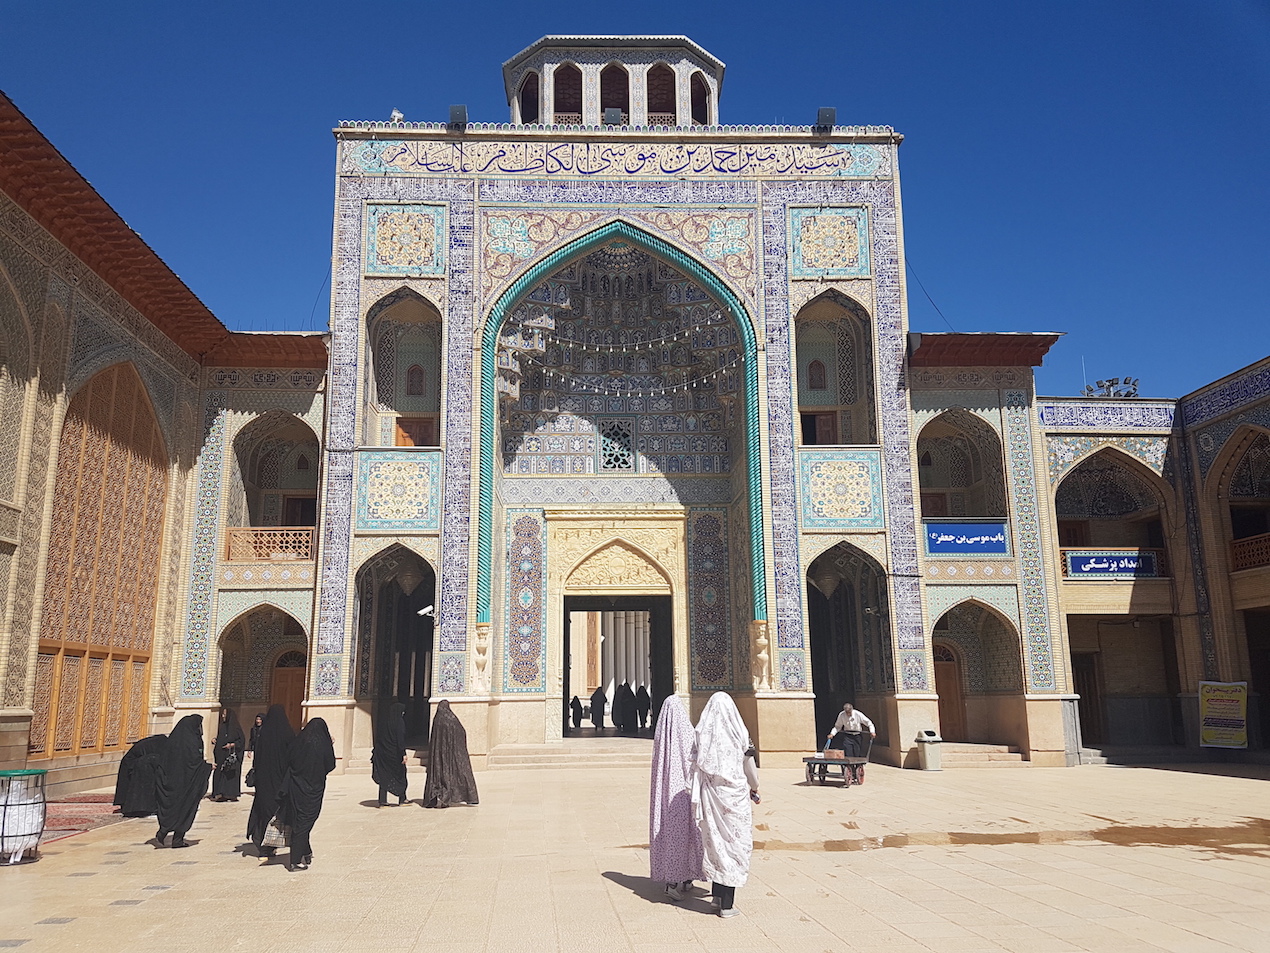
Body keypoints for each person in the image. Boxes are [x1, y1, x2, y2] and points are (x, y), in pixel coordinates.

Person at [691, 692, 759, 919]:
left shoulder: (703, 733)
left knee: (717, 844)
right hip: (734, 797)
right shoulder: (738, 732)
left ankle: (717, 897)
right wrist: (755, 786)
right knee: (733, 845)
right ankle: (727, 906)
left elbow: (695, 760)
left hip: (711, 796)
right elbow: (748, 763)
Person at [650, 695, 703, 903]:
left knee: (672, 836)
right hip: (685, 795)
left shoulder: (661, 740)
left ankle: (674, 879)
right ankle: (684, 877)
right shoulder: (688, 733)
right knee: (689, 834)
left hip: (667, 798)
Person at [274, 717, 335, 871]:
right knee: (305, 821)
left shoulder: (299, 742)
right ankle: (295, 860)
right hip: (314, 788)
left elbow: (289, 759)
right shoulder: (322, 744)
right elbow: (330, 764)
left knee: (301, 819)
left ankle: (306, 851)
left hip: (296, 787)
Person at [154, 714, 213, 849]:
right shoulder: (192, 742)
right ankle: (177, 839)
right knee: (186, 808)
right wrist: (207, 767)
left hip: (173, 783)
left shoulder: (174, 741)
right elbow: (192, 763)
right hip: (187, 784)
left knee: (174, 808)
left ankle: (165, 831)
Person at [246, 704, 295, 855]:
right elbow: (293, 756)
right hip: (281, 782)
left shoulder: (263, 734)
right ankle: (273, 844)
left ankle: (263, 847)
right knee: (277, 811)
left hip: (263, 782)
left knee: (263, 810)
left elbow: (258, 758)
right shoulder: (287, 733)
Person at [422, 700, 479, 808]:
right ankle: (446, 798)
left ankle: (433, 798)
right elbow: (461, 732)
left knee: (437, 775)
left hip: (438, 755)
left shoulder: (437, 720)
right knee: (448, 774)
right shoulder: (452, 719)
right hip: (450, 754)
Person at [113, 734, 167, 818]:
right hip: (134, 764)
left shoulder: (162, 742)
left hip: (141, 763)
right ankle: (141, 807)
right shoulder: (164, 744)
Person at [372, 702, 409, 806]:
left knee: (384, 775)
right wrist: (403, 753)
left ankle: (382, 800)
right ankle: (402, 798)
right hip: (394, 754)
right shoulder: (399, 722)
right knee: (400, 774)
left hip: (382, 753)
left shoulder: (384, 722)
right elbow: (399, 739)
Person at [211, 708, 245, 802]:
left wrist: (231, 745)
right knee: (221, 773)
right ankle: (221, 793)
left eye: (224, 714)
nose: (223, 716)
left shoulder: (236, 728)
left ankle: (231, 793)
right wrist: (216, 741)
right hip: (222, 755)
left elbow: (241, 741)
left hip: (230, 757)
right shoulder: (223, 726)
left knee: (230, 775)